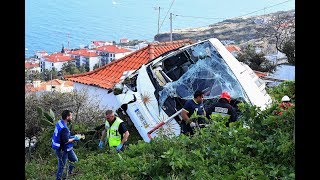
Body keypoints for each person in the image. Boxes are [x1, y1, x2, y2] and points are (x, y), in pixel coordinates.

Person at [52, 110, 80, 180]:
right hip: (62, 150)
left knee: (74, 160)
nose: (72, 117)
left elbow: (64, 137)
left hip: (66, 148)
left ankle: (68, 174)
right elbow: (66, 141)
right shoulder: (64, 128)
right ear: (67, 117)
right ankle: (59, 178)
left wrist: (73, 136)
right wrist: (75, 139)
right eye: (71, 116)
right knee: (61, 166)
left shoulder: (59, 123)